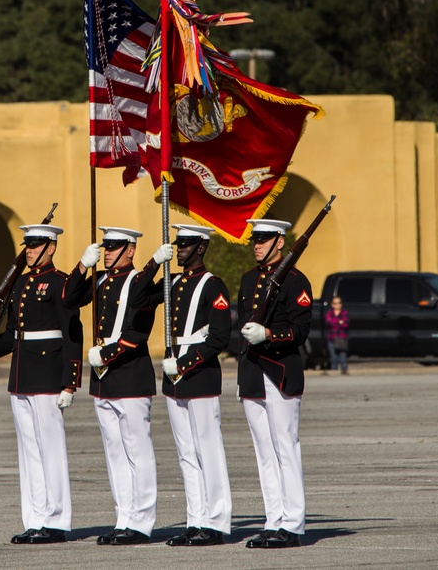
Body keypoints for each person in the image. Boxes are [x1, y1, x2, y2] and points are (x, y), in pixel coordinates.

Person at [0, 224, 83, 544]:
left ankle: (57, 521)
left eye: (35, 245)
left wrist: (70, 383)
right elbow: (15, 334)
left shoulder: (60, 284)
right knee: (29, 451)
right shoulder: (20, 284)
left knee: (50, 450)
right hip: (21, 376)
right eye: (27, 245)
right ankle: (35, 518)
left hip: (48, 375)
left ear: (51, 247)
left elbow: (73, 333)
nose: (28, 250)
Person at [62, 227, 169, 546]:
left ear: (130, 250)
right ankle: (124, 517)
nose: (107, 253)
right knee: (115, 453)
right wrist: (83, 266)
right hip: (102, 376)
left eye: (114, 248)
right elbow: (68, 299)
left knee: (138, 450)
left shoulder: (140, 283)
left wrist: (154, 263)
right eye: (105, 248)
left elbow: (138, 333)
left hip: (129, 372)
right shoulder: (100, 281)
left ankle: (143, 521)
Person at [129, 224, 232, 547]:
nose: (180, 249)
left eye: (186, 245)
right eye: (178, 244)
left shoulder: (213, 285)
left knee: (208, 451)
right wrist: (154, 263)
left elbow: (219, 338)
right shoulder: (172, 282)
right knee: (186, 452)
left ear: (201, 247)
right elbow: (136, 297)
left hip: (198, 372)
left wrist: (185, 363)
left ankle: (216, 522)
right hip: (173, 375)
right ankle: (195, 519)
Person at [237, 218, 313, 549]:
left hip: (279, 371)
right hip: (253, 372)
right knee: (264, 452)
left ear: (279, 242)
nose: (256, 244)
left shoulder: (296, 281)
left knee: (285, 447)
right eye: (255, 238)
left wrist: (269, 334)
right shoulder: (248, 279)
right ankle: (273, 520)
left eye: (264, 239)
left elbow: (300, 330)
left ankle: (293, 524)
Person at [324, 296, 350, 374]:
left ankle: (344, 372)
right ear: (332, 304)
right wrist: (339, 322)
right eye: (335, 303)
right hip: (331, 338)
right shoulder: (329, 313)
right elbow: (328, 323)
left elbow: (346, 324)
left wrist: (335, 322)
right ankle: (334, 373)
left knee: (343, 358)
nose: (337, 305)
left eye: (339, 303)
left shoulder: (344, 313)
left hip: (342, 338)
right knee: (333, 358)